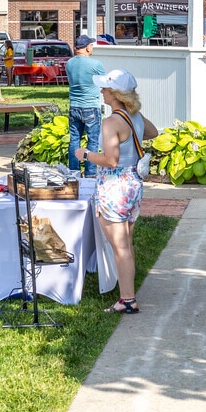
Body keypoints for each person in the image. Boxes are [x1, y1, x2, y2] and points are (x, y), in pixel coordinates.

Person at [74, 69, 158, 314]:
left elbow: (111, 160)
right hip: (133, 184)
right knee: (126, 243)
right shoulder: (134, 116)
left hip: (114, 187)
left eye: (105, 88)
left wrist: (86, 154)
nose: (102, 91)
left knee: (120, 247)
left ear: (115, 94)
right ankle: (127, 294)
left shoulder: (112, 122)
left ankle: (128, 299)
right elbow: (153, 132)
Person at [66, 34, 106, 176]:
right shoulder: (95, 64)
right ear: (87, 47)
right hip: (91, 106)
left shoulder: (69, 63)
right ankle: (90, 173)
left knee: (74, 140)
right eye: (91, 45)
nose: (92, 47)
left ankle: (74, 173)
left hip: (74, 106)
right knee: (93, 141)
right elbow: (106, 82)